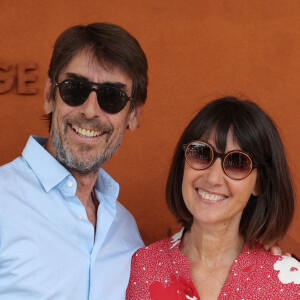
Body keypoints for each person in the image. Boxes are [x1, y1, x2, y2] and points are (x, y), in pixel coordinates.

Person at [0, 23, 147, 299]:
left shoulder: (125, 229)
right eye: (75, 88)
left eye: (111, 96)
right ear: (48, 95)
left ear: (133, 115)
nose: (90, 111)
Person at [126, 97, 300, 299]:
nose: (213, 177)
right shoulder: (142, 267)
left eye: (237, 162)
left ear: (259, 183)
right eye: (201, 153)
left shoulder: (287, 283)